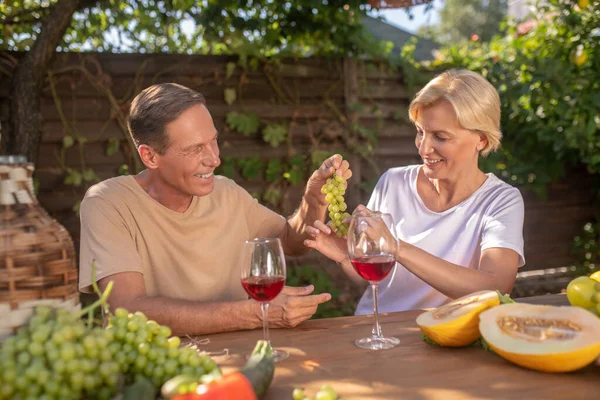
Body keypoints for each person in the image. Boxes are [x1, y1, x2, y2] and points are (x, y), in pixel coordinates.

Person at [78, 83, 352, 335]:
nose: (214, 158)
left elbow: (291, 242)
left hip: (239, 363)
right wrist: (257, 315)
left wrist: (314, 201)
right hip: (154, 366)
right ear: (150, 156)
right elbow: (126, 309)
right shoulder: (108, 203)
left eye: (213, 140)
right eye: (196, 148)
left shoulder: (226, 192)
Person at [304, 69, 525, 314]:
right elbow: (376, 280)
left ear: (481, 140)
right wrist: (346, 258)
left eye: (440, 137)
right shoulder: (393, 182)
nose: (424, 148)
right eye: (421, 132)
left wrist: (396, 247)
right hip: (377, 331)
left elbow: (496, 288)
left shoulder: (500, 201)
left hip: (442, 335)